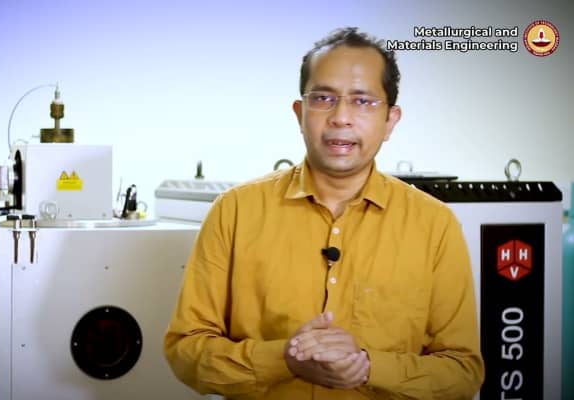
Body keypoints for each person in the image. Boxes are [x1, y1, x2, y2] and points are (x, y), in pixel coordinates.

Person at [164, 27, 485, 399]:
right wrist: (284, 359)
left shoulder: (434, 225)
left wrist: (369, 366)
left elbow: (462, 372)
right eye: (323, 98)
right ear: (300, 113)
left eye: (362, 101)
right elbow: (186, 351)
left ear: (390, 120)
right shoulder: (235, 211)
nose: (341, 117)